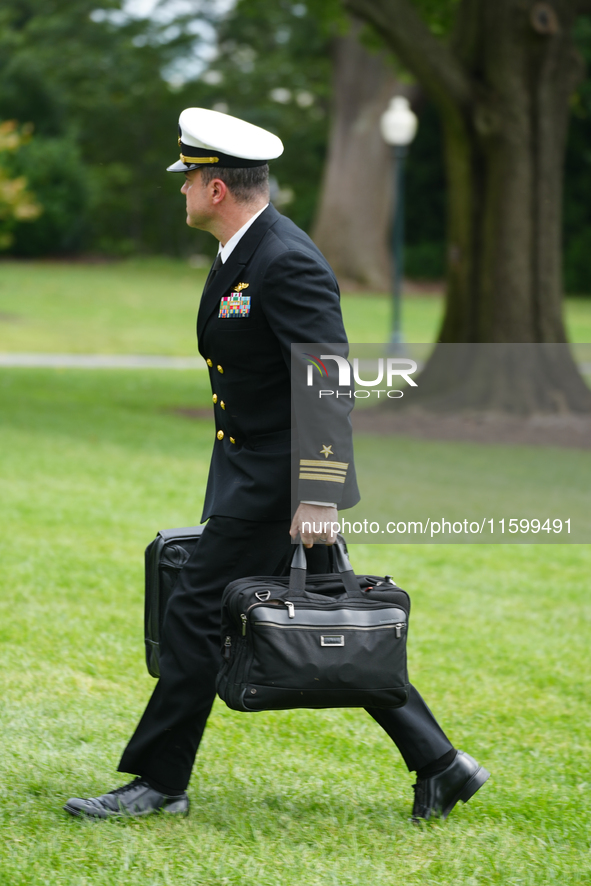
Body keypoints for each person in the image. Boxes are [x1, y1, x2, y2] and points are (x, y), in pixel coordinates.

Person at [64, 108, 489, 823]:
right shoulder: (244, 252)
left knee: (193, 612)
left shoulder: (284, 259)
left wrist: (318, 493)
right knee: (337, 624)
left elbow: (326, 375)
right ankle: (442, 765)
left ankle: (159, 783)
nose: (181, 191)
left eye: (188, 179)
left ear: (216, 189)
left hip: (279, 481)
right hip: (251, 473)